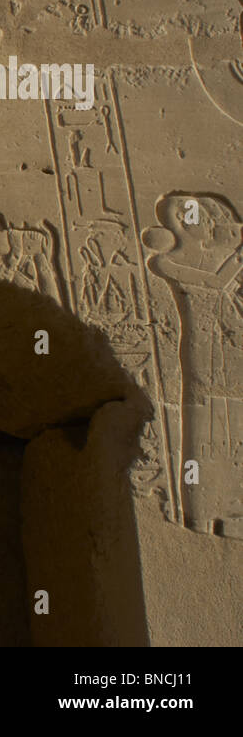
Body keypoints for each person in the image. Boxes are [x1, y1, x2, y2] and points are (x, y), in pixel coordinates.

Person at [147, 193, 243, 535]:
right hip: (203, 350)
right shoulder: (166, 261)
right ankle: (201, 512)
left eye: (197, 214)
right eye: (186, 216)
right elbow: (215, 284)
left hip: (231, 344)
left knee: (235, 424)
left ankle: (234, 513)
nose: (195, 222)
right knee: (203, 430)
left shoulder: (221, 256)